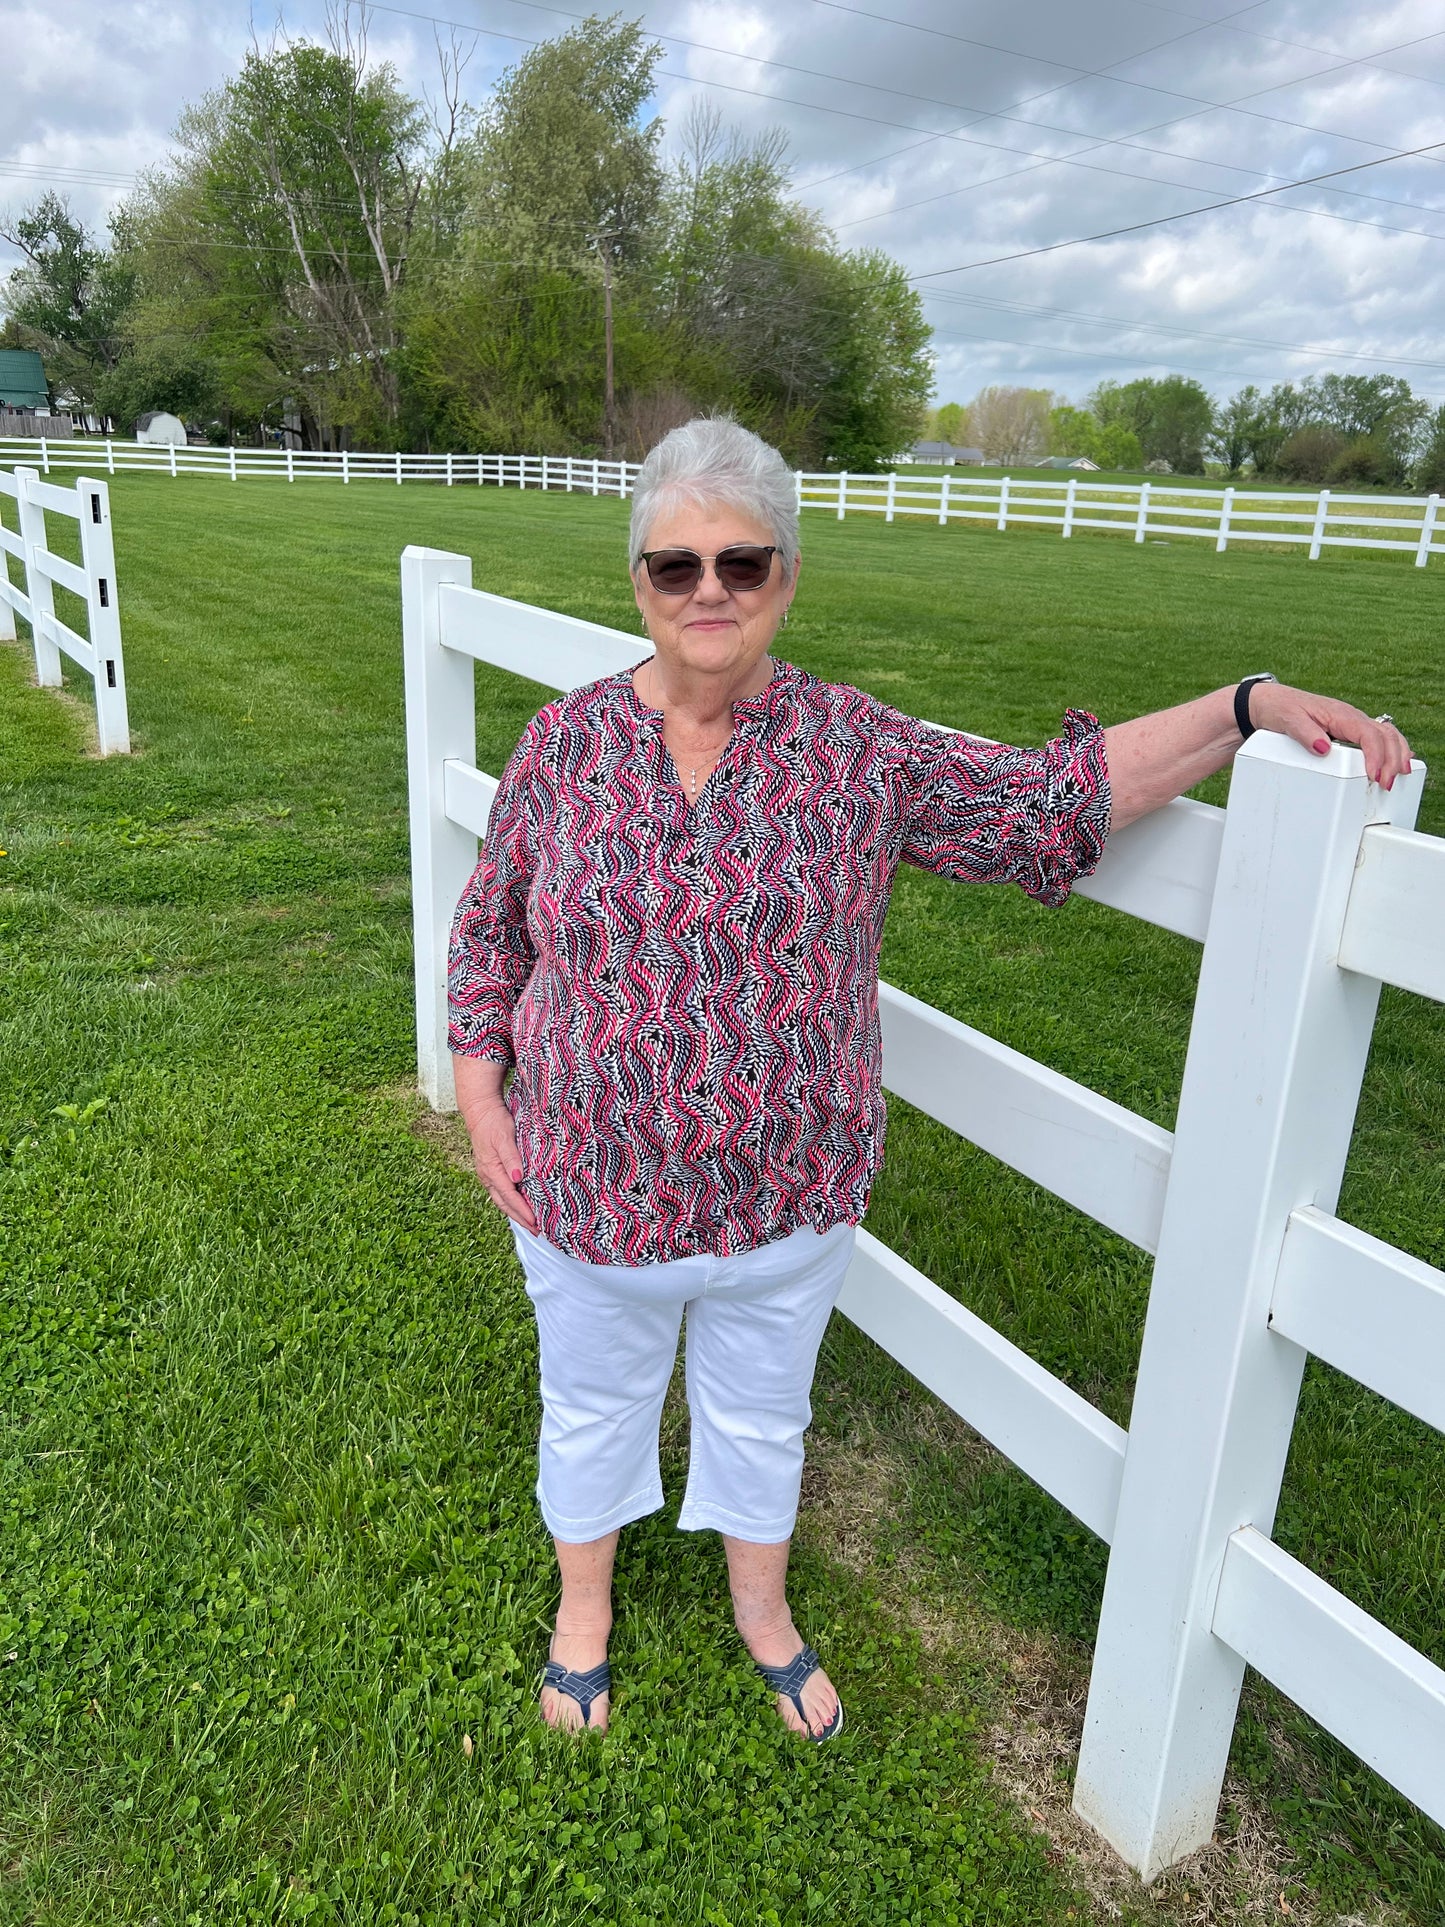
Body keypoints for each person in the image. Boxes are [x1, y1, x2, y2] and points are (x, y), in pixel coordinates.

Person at [446, 417, 1412, 1740]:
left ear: (783, 576)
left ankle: (763, 1613)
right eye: (676, 566)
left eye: (741, 561)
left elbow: (1040, 807)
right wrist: (483, 1090)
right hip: (587, 1189)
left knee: (760, 1414)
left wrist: (1239, 706)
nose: (708, 591)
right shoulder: (561, 748)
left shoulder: (854, 749)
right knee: (590, 1404)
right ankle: (584, 1615)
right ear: (639, 582)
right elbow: (491, 935)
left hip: (786, 1199)